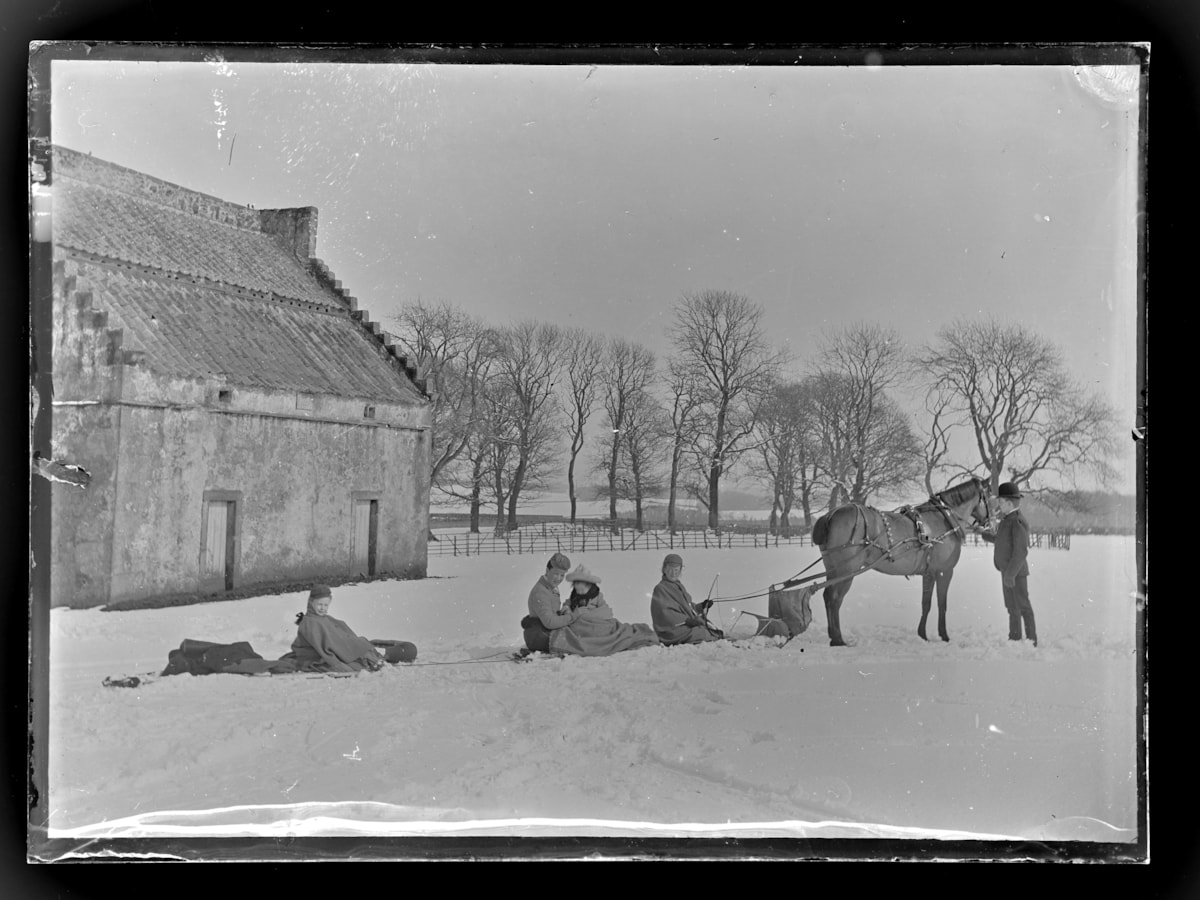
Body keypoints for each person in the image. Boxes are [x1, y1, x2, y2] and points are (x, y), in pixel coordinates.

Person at [280, 584, 417, 672]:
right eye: (319, 605)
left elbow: (342, 637)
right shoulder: (311, 622)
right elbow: (325, 647)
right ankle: (375, 655)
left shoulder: (325, 619)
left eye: (325, 605)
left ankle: (377, 652)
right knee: (407, 650)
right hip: (326, 656)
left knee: (408, 649)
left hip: (354, 650)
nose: (323, 608)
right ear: (311, 603)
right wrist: (339, 666)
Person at [555, 564, 659, 656]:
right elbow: (567, 605)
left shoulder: (597, 596)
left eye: (581, 587)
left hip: (597, 624)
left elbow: (606, 612)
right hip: (581, 626)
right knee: (573, 627)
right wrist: (567, 609)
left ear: (588, 585)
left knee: (608, 630)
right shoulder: (574, 596)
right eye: (576, 586)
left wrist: (587, 614)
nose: (579, 590)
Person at [980, 482, 1037, 647]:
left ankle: (1032, 641)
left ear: (1010, 503)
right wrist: (985, 535)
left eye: (1001, 502)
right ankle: (1015, 638)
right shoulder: (1007, 520)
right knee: (1012, 607)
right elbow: (1002, 540)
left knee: (1023, 606)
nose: (999, 505)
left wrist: (1010, 574)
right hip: (1008, 572)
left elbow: (1020, 552)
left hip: (1016, 573)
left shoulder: (1017, 521)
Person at [650, 553, 723, 645]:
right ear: (664, 569)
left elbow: (687, 608)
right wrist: (688, 620)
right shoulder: (660, 588)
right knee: (701, 632)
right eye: (670, 570)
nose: (673, 573)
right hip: (670, 630)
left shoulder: (679, 586)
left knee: (708, 628)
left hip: (682, 626)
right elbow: (666, 615)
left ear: (680, 570)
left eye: (676, 570)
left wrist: (701, 606)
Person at [522, 552, 580, 652]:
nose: (559, 579)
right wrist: (572, 617)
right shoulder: (540, 592)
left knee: (582, 627)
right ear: (547, 570)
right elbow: (550, 622)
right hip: (538, 636)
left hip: (544, 631)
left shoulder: (550, 587)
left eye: (562, 575)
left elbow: (552, 612)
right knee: (580, 635)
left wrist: (566, 608)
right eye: (556, 574)